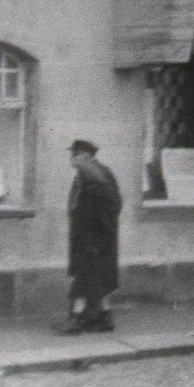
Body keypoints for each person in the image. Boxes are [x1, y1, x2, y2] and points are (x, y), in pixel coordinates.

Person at [58, 140, 121, 334]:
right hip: (92, 238)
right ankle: (105, 318)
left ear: (85, 156)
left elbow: (108, 206)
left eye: (74, 155)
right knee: (97, 279)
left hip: (92, 240)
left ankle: (75, 320)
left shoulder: (93, 175)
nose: (71, 159)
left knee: (84, 278)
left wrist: (96, 235)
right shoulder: (93, 172)